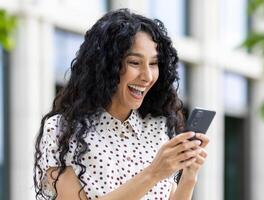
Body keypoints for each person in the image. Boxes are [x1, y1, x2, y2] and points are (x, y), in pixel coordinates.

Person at [33, 8, 210, 200]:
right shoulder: (62, 131)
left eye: (153, 64)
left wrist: (190, 176)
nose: (147, 76)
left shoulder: (158, 127)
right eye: (135, 62)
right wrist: (153, 173)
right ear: (107, 65)